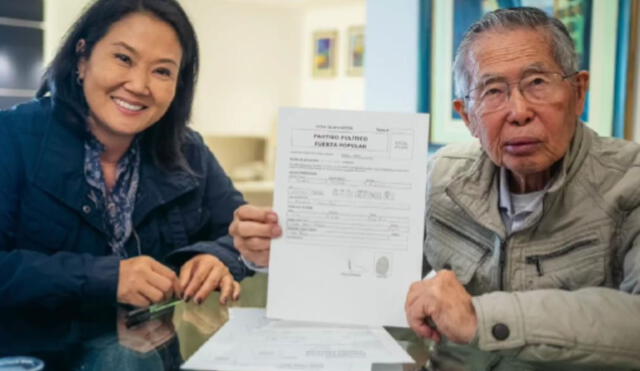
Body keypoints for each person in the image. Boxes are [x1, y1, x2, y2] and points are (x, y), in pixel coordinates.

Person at [230, 7, 640, 368]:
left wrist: (480, 316)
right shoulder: (442, 177)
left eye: (536, 82)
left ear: (578, 91)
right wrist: (277, 253)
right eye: (492, 91)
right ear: (467, 116)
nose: (518, 112)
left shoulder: (630, 181)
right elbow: (372, 268)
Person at [0, 0, 255, 312]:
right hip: (31, 356)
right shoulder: (11, 137)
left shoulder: (189, 151)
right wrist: (105, 278)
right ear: (82, 57)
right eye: (123, 58)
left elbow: (242, 234)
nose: (139, 85)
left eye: (162, 71)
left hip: (153, 353)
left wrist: (217, 257)